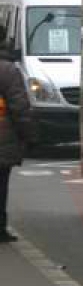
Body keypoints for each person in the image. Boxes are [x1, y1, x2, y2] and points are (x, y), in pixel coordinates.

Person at [0, 36, 33, 243]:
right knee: (1, 184)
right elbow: (19, 107)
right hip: (3, 137)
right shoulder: (8, 70)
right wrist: (29, 135)